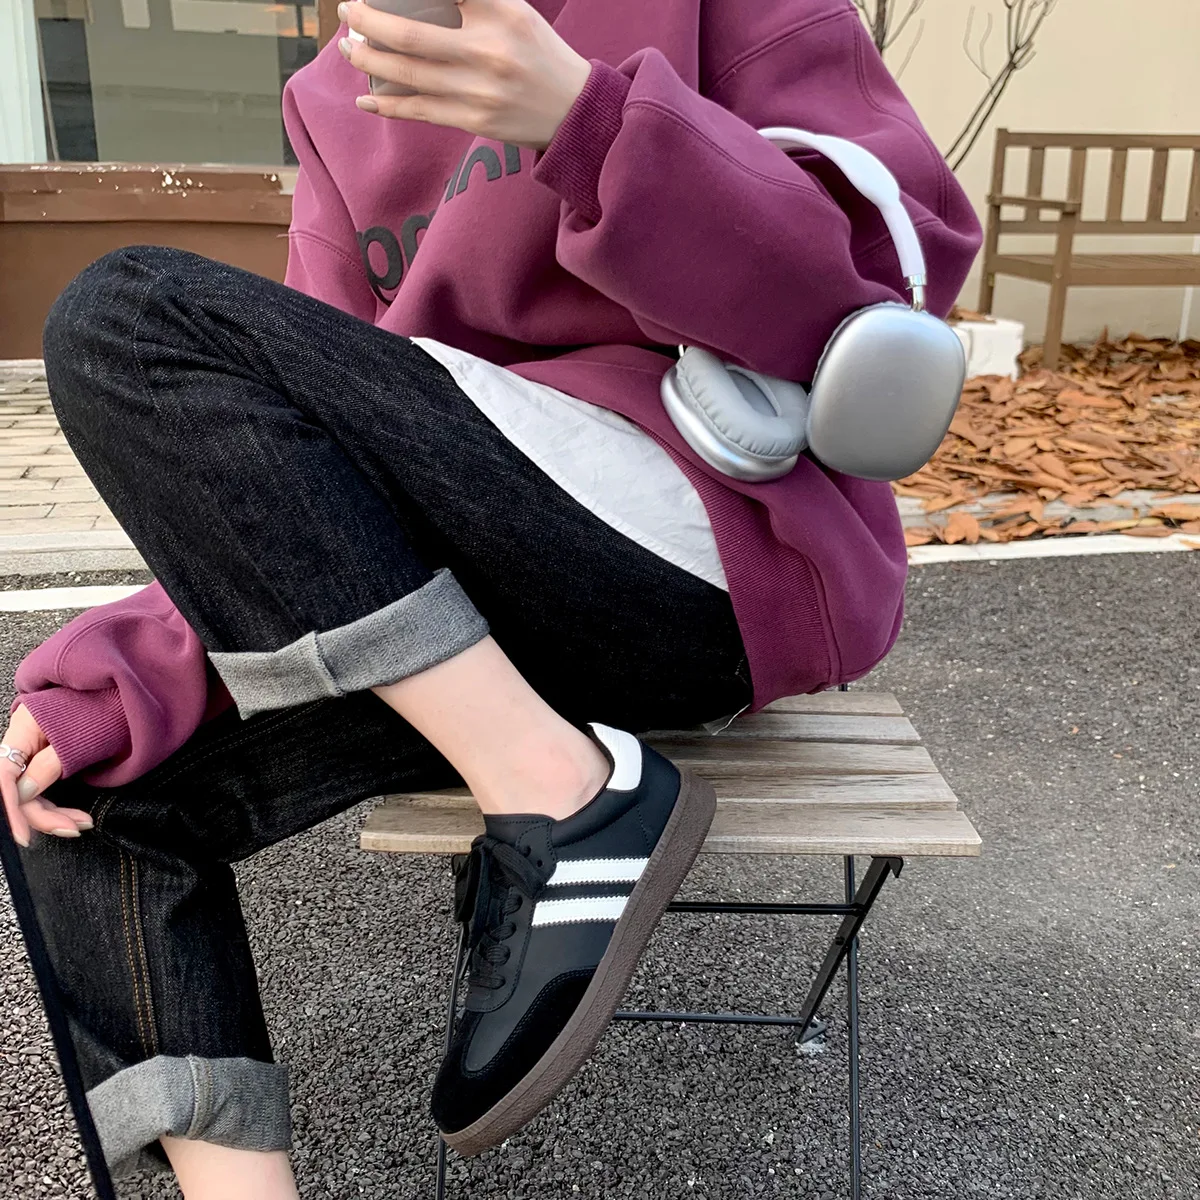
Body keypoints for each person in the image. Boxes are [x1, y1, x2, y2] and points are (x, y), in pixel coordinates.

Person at [0, 0, 981, 1194]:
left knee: (131, 315)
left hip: (704, 542)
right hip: (482, 621)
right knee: (92, 799)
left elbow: (894, 287)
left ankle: (560, 794)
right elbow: (284, 478)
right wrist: (125, 673)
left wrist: (589, 121)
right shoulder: (333, 93)